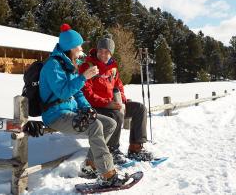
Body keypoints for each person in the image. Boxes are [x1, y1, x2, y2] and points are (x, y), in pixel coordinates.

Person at [39, 24, 125, 186]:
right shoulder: (53, 66)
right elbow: (63, 93)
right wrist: (83, 77)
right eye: (78, 45)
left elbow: (77, 92)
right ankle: (107, 174)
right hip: (56, 115)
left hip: (71, 111)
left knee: (109, 123)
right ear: (70, 47)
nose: (81, 48)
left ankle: (90, 166)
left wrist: (87, 109)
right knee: (95, 126)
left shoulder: (69, 64)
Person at [78, 34, 153, 167]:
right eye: (101, 50)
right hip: (95, 106)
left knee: (139, 108)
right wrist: (107, 103)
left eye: (107, 51)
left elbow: (119, 87)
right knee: (116, 114)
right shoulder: (88, 66)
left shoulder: (113, 69)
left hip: (112, 104)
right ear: (97, 50)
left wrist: (122, 101)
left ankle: (135, 147)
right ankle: (112, 149)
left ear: (111, 53)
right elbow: (87, 93)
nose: (103, 54)